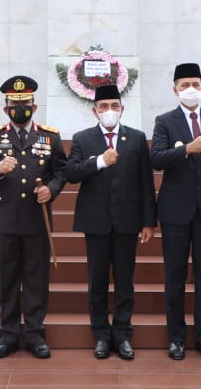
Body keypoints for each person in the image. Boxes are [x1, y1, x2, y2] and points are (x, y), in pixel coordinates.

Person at [65, 84, 157, 360]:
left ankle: (123, 335)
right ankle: (101, 336)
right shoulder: (83, 138)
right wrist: (100, 162)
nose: (109, 111)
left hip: (128, 221)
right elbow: (71, 173)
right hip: (96, 222)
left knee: (125, 282)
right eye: (103, 107)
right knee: (98, 281)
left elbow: (145, 182)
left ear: (122, 109)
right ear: (95, 111)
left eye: (114, 106)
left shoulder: (137, 138)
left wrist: (148, 222)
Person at [149, 63, 201, 361]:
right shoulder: (164, 121)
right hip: (175, 212)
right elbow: (156, 159)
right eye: (184, 85)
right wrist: (186, 149)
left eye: (195, 84)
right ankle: (176, 339)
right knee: (174, 276)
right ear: (175, 90)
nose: (190, 90)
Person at [0, 75, 68, 358]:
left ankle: (34, 334)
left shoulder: (50, 136)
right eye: (15, 104)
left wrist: (51, 190)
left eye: (26, 103)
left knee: (35, 279)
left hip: (36, 220)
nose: (21, 108)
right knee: (6, 279)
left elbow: (61, 172)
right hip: (6, 221)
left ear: (34, 106)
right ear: (6, 108)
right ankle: (7, 335)